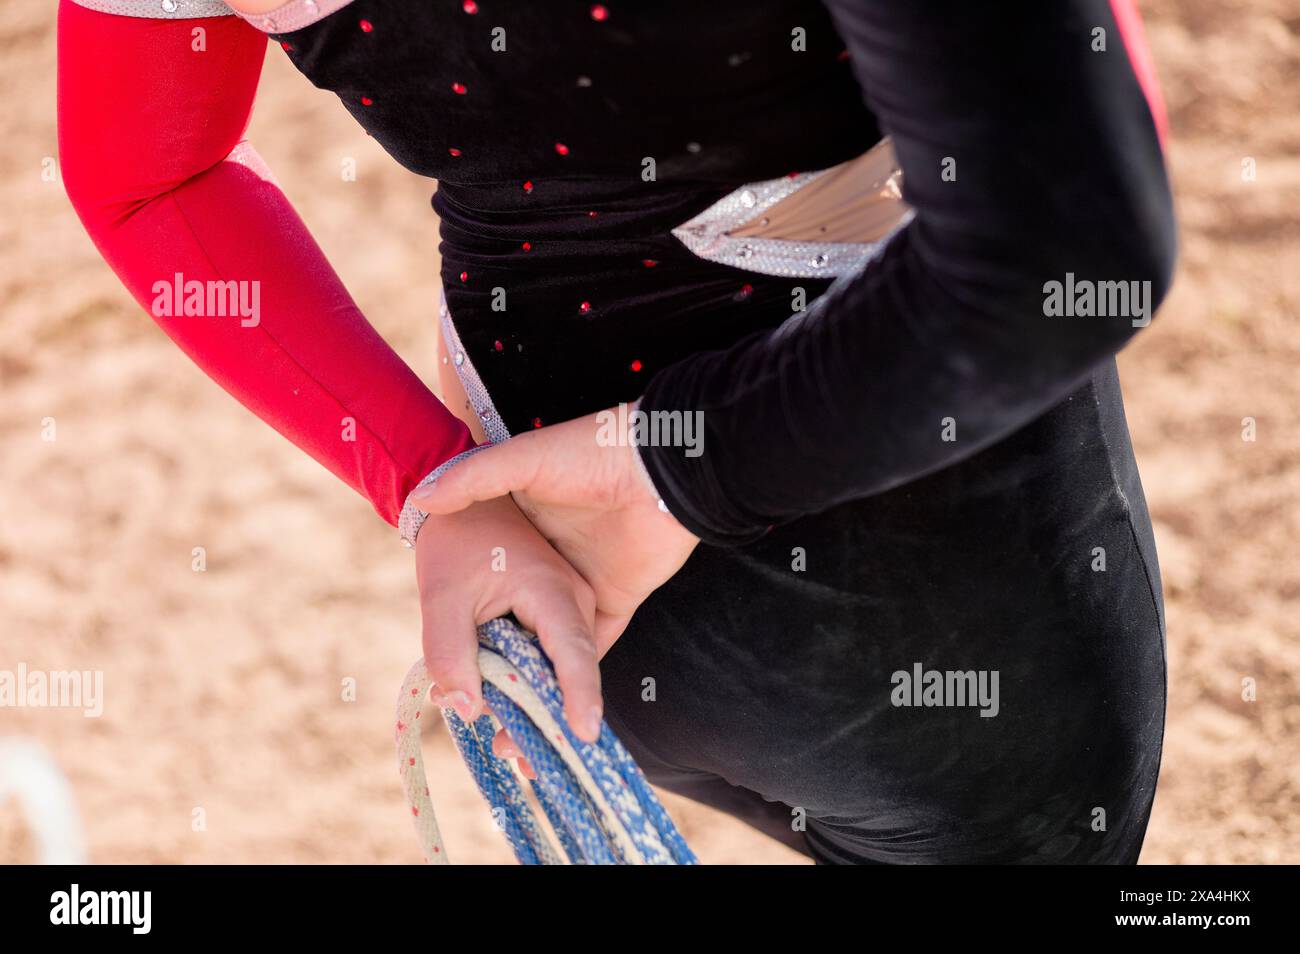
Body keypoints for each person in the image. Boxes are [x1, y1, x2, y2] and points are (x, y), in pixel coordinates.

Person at [59, 0, 1176, 863]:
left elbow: (147, 181)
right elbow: (1068, 241)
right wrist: (677, 468)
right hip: (922, 567)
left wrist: (437, 483)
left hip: (555, 569)